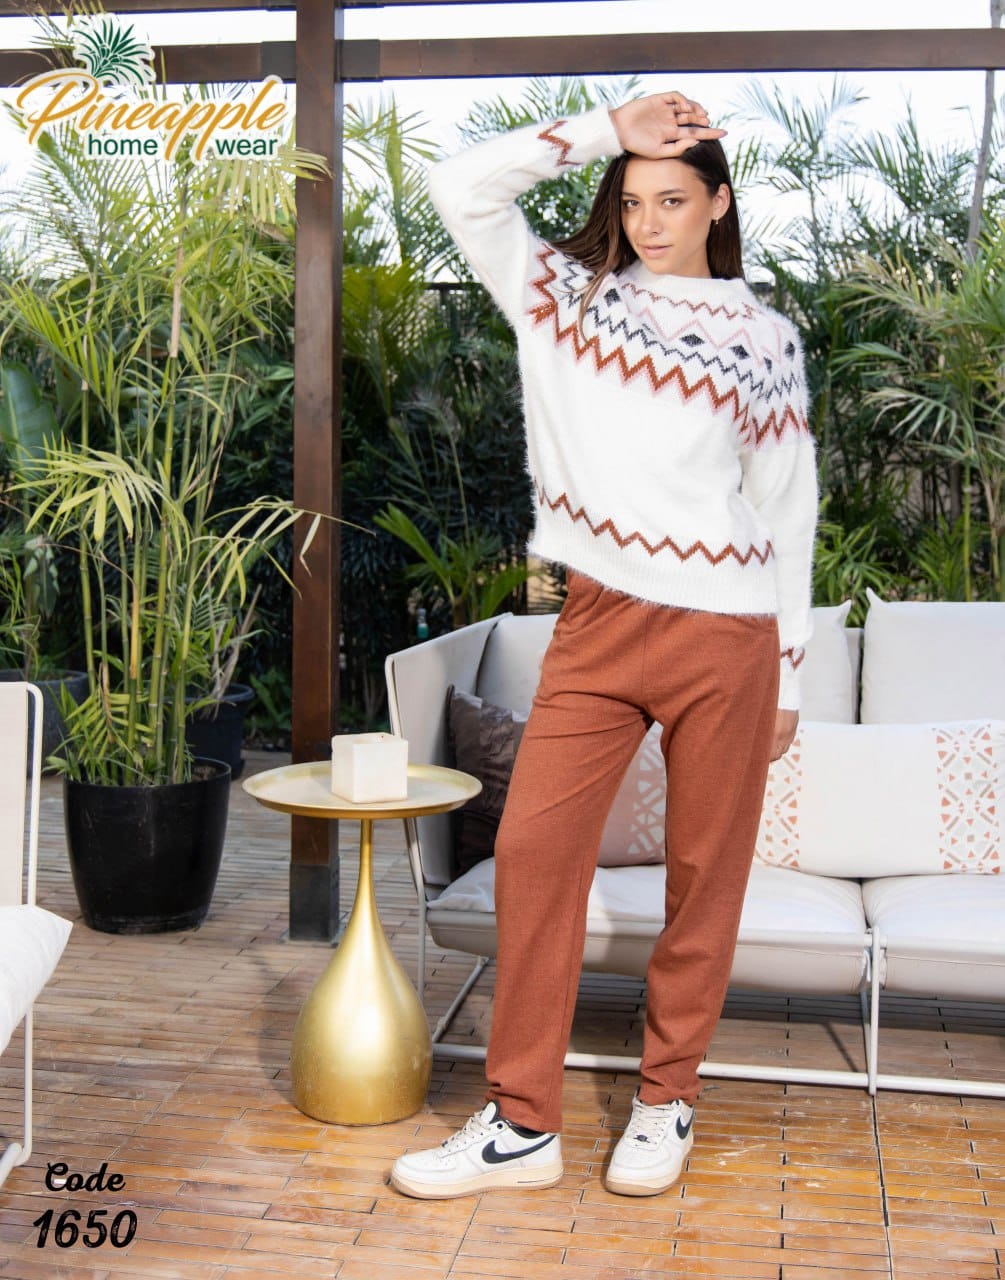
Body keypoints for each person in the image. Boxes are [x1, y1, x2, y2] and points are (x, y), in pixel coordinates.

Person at [390, 90, 817, 1200]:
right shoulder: (563, 301)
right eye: (633, 200)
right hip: (596, 622)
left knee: (702, 875)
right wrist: (604, 125)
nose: (650, 219)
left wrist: (795, 674)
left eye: (674, 199)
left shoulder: (764, 338)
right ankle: (522, 1121)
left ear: (719, 203)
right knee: (533, 854)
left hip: (730, 631)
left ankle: (667, 1095)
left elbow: (788, 508)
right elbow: (459, 187)